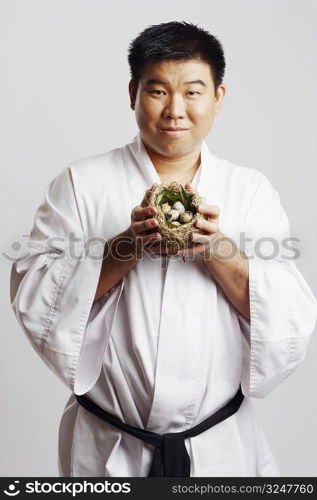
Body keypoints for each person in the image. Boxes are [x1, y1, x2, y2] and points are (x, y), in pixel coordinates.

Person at [10, 21, 317, 477]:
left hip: (218, 446)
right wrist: (125, 246)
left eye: (193, 92)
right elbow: (36, 298)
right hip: (110, 447)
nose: (175, 110)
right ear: (133, 92)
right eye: (158, 91)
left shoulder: (250, 191)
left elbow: (289, 317)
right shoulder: (80, 184)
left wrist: (219, 252)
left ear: (219, 97)